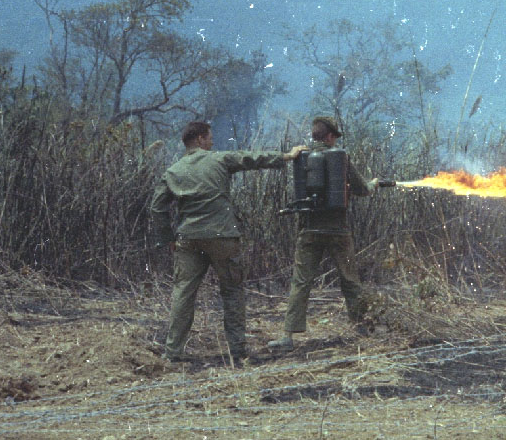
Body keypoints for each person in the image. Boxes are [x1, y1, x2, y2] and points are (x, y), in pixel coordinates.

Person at [150, 121, 308, 363]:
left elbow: (157, 208)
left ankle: (172, 353)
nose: (212, 141)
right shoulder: (220, 159)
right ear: (200, 138)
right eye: (209, 137)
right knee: (232, 291)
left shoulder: (173, 171)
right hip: (223, 236)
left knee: (183, 293)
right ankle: (238, 351)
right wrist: (286, 156)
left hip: (188, 238)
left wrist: (167, 238)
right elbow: (251, 158)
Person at [268, 116, 377, 351]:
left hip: (309, 230)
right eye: (334, 137)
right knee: (349, 279)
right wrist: (374, 184)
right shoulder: (340, 158)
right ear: (329, 136)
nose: (335, 140)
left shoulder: (302, 156)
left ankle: (288, 336)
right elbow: (362, 189)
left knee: (301, 282)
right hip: (338, 231)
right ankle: (361, 327)